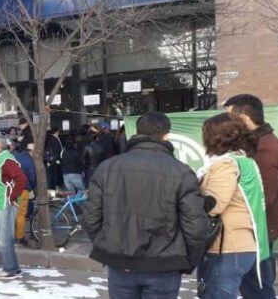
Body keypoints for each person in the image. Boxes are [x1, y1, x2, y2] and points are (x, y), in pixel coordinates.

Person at [84, 112, 209, 299]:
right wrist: (187, 262)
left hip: (123, 265)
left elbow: (91, 217)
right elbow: (195, 226)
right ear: (166, 135)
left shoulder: (108, 168)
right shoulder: (181, 171)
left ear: (137, 132)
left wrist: (109, 248)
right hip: (164, 266)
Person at [197, 113, 271, 299]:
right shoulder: (246, 161)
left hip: (227, 247)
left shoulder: (226, 164)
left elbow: (214, 205)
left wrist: (189, 196)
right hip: (243, 244)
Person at [225, 94, 278, 298]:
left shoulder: (266, 148)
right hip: (254, 231)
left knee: (258, 290)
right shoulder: (258, 143)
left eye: (229, 117)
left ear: (243, 117)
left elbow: (263, 198)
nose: (227, 124)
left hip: (257, 233)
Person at [0, 134, 28, 279]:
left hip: (5, 203)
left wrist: (12, 197)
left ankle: (10, 269)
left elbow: (21, 179)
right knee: (3, 238)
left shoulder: (6, 159)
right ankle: (13, 268)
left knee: (4, 238)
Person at [12, 145, 36, 247]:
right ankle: (20, 237)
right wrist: (32, 187)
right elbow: (32, 176)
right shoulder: (29, 160)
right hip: (22, 189)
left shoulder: (15, 156)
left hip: (11, 188)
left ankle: (11, 235)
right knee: (21, 213)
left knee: (12, 213)